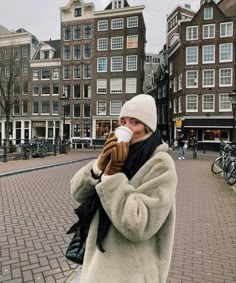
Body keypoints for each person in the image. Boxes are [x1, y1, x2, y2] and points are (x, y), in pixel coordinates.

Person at [70, 94, 177, 283]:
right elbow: (77, 193)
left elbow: (138, 224)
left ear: (148, 128)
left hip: (130, 272)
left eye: (135, 122)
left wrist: (111, 176)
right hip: (96, 264)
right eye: (123, 121)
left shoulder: (160, 164)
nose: (126, 127)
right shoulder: (117, 153)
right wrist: (99, 167)